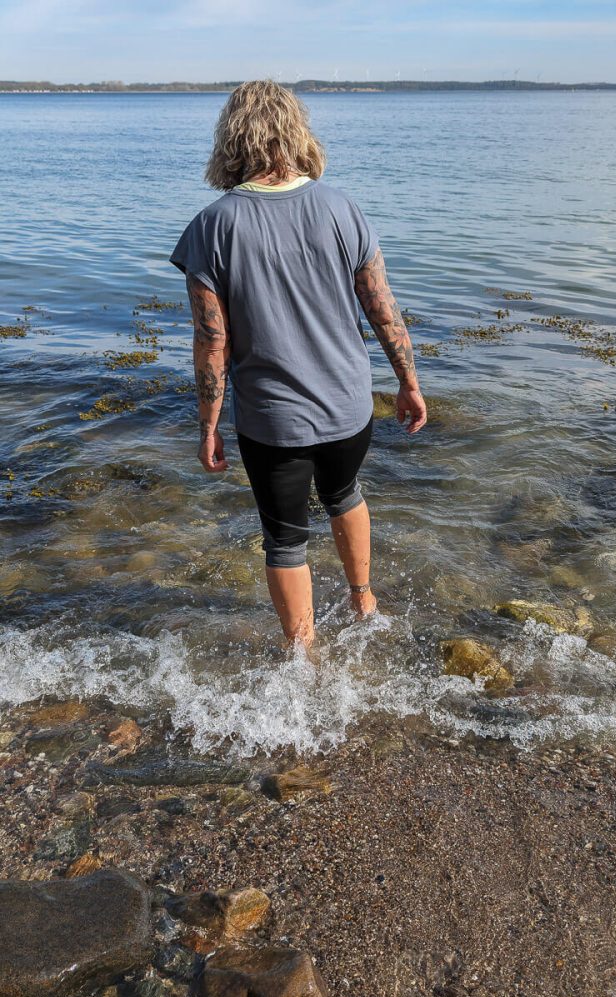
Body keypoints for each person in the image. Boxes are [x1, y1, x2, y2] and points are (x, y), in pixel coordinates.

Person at [169, 80, 426, 649]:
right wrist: (408, 383)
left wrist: (208, 426)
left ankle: (302, 658)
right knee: (346, 493)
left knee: (284, 539)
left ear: (230, 139)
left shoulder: (212, 227)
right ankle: (364, 600)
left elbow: (213, 344)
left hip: (272, 421)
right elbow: (384, 312)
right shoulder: (342, 209)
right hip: (349, 408)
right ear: (296, 131)